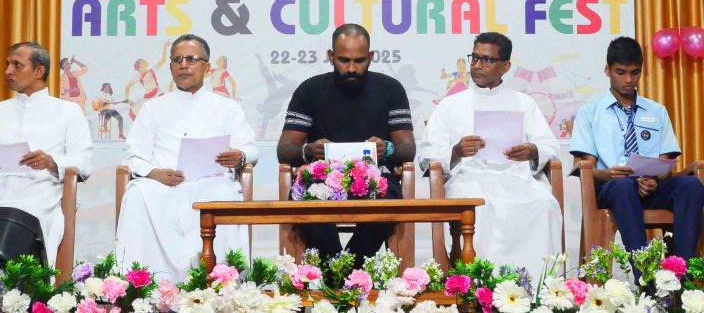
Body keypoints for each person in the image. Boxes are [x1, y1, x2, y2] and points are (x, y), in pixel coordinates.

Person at [115, 34, 258, 281]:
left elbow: (251, 150)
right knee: (137, 194)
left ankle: (220, 283)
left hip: (209, 183)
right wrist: (154, 173)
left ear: (207, 67)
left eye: (191, 59)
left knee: (223, 194)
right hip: (162, 186)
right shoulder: (153, 108)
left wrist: (240, 156)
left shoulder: (227, 108)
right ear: (170, 66)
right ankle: (142, 284)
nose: (183, 65)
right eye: (177, 59)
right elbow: (135, 154)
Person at [420, 32, 562, 275]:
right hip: (468, 179)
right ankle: (479, 286)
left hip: (517, 179)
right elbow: (427, 156)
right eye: (474, 57)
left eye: (486, 60)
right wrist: (456, 151)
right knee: (480, 206)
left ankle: (538, 287)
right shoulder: (450, 105)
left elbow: (549, 148)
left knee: (543, 203)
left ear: (505, 66)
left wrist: (532, 151)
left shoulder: (524, 103)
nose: (477, 65)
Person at [277, 23, 416, 264]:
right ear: (331, 56)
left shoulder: (390, 89)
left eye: (359, 61)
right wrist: (309, 150)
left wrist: (387, 148)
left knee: (388, 199)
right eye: (344, 60)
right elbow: (285, 150)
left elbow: (408, 149)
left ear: (370, 57)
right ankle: (341, 270)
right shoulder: (309, 90)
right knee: (304, 197)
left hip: (375, 178)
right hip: (321, 178)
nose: (351, 68)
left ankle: (349, 268)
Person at [0, 42, 93, 262]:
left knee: (25, 212)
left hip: (39, 191)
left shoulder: (69, 112)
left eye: (17, 65)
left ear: (39, 71)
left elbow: (84, 163)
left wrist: (51, 162)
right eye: (8, 64)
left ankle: (22, 281)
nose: (8, 71)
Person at [569, 36, 704, 260]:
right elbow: (583, 166)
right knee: (623, 185)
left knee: (692, 186)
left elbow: (665, 162)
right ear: (607, 70)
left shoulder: (656, 110)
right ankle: (644, 273)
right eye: (621, 72)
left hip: (651, 187)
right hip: (613, 188)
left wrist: (655, 179)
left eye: (635, 72)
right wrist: (608, 174)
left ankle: (683, 271)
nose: (628, 80)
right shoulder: (590, 112)